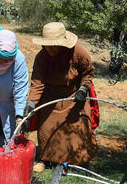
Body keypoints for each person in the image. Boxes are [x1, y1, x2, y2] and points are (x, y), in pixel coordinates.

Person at [26, 22, 98, 169]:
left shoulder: (78, 52)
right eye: (48, 45)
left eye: (54, 45)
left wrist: (83, 89)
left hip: (75, 96)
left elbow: (88, 72)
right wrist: (31, 103)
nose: (50, 48)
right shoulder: (41, 58)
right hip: (51, 98)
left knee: (80, 128)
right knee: (47, 129)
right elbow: (37, 82)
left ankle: (83, 160)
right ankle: (46, 160)